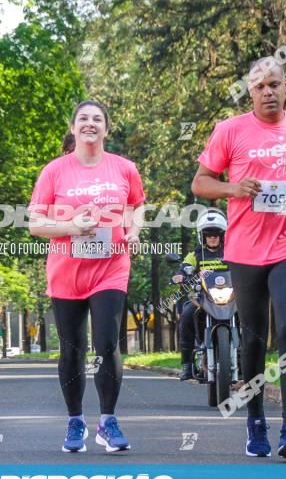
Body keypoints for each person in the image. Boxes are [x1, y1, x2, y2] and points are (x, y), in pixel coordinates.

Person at [191, 57, 286, 459]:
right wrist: (234, 188)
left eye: (274, 84)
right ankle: (256, 421)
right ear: (250, 92)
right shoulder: (229, 130)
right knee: (253, 337)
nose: (268, 91)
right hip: (245, 251)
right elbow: (200, 182)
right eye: (260, 86)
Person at [29, 100, 145, 453]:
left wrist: (135, 231)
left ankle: (108, 421)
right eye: (83, 119)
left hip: (111, 267)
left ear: (106, 129)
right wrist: (70, 227)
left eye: (97, 119)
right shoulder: (54, 171)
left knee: (108, 343)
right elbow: (35, 224)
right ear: (74, 127)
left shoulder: (125, 169)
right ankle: (75, 421)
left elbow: (137, 206)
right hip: (67, 271)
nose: (90, 124)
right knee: (72, 349)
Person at [172, 208, 228, 381]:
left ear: (222, 235)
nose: (212, 237)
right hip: (202, 298)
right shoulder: (195, 254)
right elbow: (184, 267)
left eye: (216, 234)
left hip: (231, 297)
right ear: (202, 236)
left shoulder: (232, 251)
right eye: (208, 234)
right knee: (187, 316)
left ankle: (251, 361)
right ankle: (187, 365)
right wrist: (180, 274)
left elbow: (245, 264)